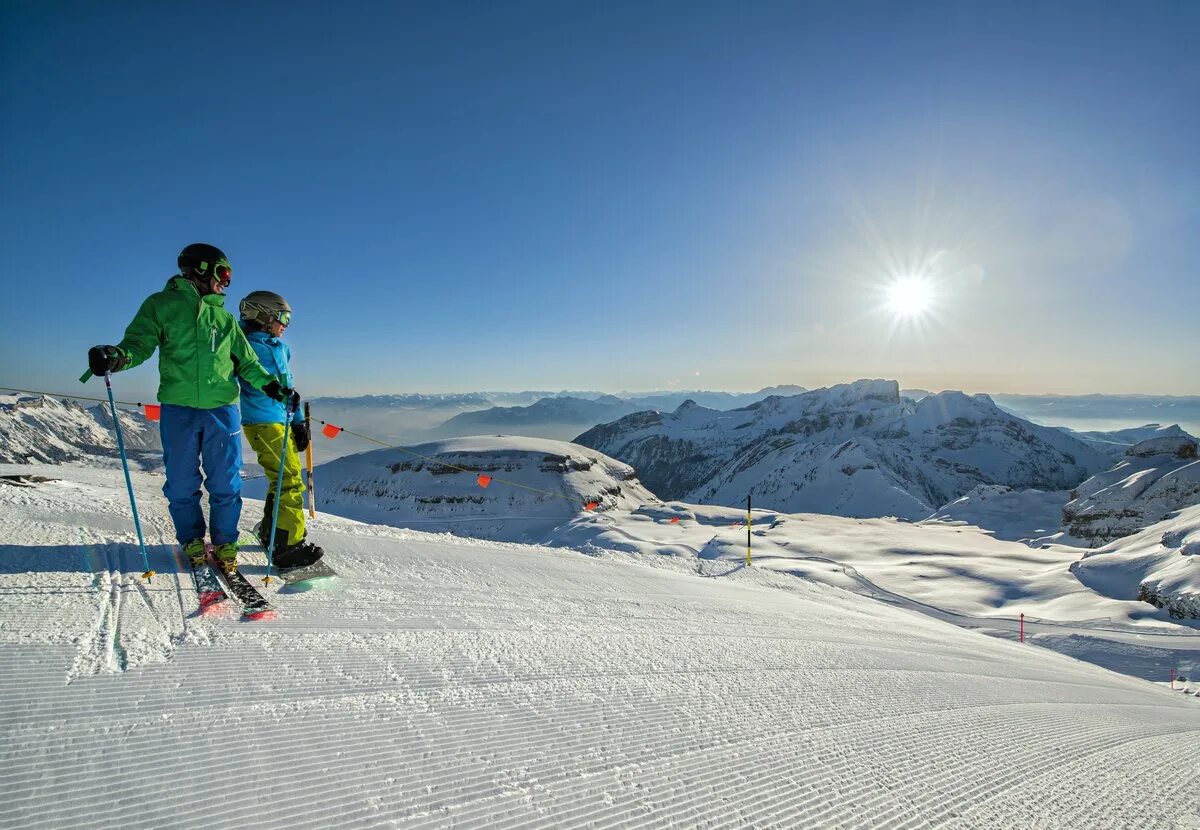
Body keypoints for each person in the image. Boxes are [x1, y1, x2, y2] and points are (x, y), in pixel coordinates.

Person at [87, 243, 295, 573]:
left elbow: (249, 364)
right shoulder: (161, 306)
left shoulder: (224, 319)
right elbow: (138, 345)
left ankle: (226, 541)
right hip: (179, 408)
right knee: (182, 481)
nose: (226, 283)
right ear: (200, 269)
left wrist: (274, 387)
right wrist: (117, 356)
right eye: (223, 274)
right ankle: (192, 538)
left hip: (222, 410)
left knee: (226, 481)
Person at [237, 290, 324, 569]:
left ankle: (272, 532)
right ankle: (287, 547)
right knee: (289, 481)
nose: (286, 324)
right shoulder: (247, 346)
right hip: (263, 420)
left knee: (283, 479)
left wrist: (298, 421)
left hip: (280, 420)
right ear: (263, 316)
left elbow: (290, 388)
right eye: (283, 317)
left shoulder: (279, 348)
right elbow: (262, 382)